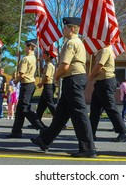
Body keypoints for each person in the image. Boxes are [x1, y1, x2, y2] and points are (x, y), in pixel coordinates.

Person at [30, 17, 96, 158]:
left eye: (65, 28)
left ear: (72, 29)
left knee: (79, 115)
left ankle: (88, 148)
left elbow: (64, 65)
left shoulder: (71, 43)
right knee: (60, 115)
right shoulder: (79, 42)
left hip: (72, 79)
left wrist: (55, 76)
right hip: (75, 79)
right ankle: (44, 140)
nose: (63, 30)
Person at [89, 45, 126, 142]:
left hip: (106, 81)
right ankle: (90, 134)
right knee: (94, 110)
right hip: (100, 83)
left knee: (110, 108)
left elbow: (99, 65)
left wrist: (91, 76)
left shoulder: (105, 50)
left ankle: (123, 132)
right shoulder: (100, 51)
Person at [6, 39, 45, 138]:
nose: (25, 48)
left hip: (26, 84)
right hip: (30, 84)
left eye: (26, 46)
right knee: (19, 109)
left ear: (29, 47)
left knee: (24, 107)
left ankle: (41, 127)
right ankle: (16, 131)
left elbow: (22, 74)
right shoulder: (33, 58)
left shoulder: (26, 59)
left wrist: (16, 81)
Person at [35, 49, 57, 120]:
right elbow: (42, 72)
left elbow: (47, 77)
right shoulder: (46, 65)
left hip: (49, 86)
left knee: (50, 104)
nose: (43, 56)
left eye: (45, 55)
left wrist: (41, 83)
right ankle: (37, 122)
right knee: (41, 105)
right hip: (46, 86)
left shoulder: (50, 65)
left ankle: (60, 121)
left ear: (49, 56)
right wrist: (40, 62)